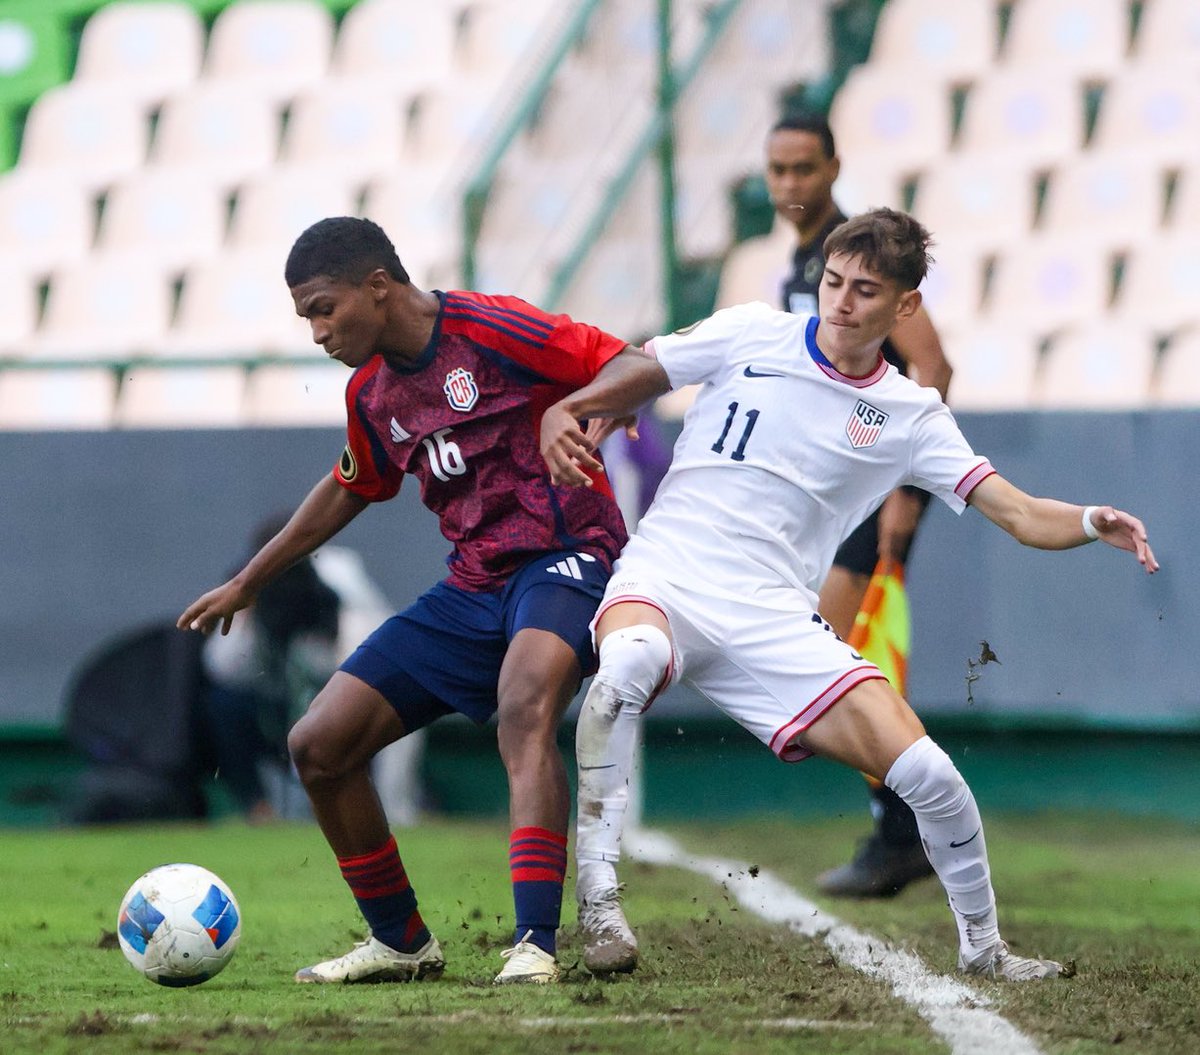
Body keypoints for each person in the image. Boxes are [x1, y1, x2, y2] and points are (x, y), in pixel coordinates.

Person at [540, 208, 1157, 980]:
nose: (841, 300)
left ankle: (986, 949)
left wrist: (1093, 520)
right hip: (667, 574)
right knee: (626, 664)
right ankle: (600, 904)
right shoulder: (752, 330)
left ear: (905, 305)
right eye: (834, 281)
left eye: (865, 290)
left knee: (932, 776)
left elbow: (1021, 513)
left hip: (774, 615)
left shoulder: (910, 415)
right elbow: (648, 363)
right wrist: (587, 402)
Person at [178, 215, 637, 985]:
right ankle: (401, 940)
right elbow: (350, 485)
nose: (318, 332)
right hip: (474, 584)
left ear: (378, 286)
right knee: (317, 744)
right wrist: (250, 578)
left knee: (524, 703)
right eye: (306, 318)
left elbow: (629, 361)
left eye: (325, 309)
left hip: (568, 558)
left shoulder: (491, 329)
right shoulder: (372, 393)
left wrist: (573, 408)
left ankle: (535, 943)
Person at [764, 111, 953, 897]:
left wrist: (907, 485)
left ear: (834, 168)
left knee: (838, 655)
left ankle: (908, 828)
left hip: (877, 483)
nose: (789, 184)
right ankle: (905, 827)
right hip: (836, 487)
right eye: (777, 170)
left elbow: (932, 364)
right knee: (846, 656)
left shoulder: (855, 256)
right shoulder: (805, 260)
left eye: (803, 168)